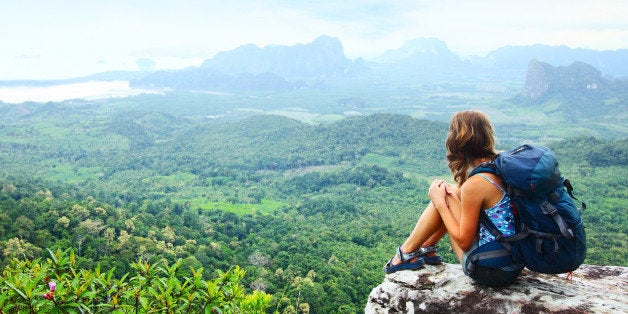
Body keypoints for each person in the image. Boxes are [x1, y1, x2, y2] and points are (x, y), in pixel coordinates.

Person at [384, 110, 519, 286]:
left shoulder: (477, 183)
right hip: (512, 262)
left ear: (458, 141)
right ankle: (427, 248)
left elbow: (464, 242)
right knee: (451, 191)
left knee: (445, 196)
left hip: (490, 271)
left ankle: (405, 253)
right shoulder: (502, 164)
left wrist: (440, 203)